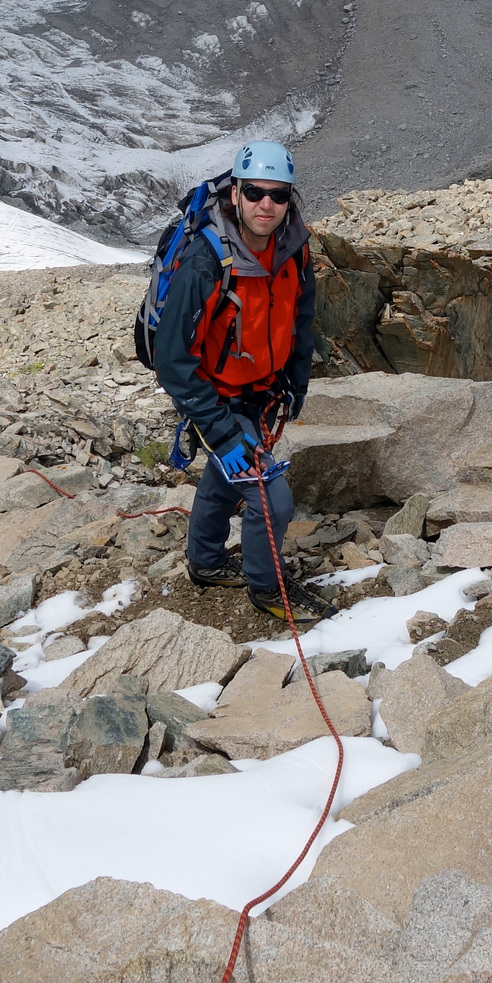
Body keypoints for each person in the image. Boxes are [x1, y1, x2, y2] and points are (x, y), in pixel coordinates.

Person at [152, 140, 327, 624]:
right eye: (254, 193)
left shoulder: (294, 246)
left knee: (225, 478)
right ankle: (268, 588)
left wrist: (295, 383)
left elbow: (301, 318)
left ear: (290, 197)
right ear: (235, 194)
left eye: (278, 194)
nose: (266, 205)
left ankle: (206, 563)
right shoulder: (207, 262)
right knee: (272, 500)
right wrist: (221, 430)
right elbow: (172, 359)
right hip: (215, 397)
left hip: (263, 390)